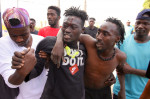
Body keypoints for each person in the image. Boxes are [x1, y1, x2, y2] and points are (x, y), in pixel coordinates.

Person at [0, 7, 47, 99]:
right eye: (13, 35)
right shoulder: (2, 44)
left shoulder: (41, 41)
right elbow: (11, 83)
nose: (19, 39)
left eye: (24, 34)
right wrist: (22, 70)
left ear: (31, 27)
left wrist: (48, 61)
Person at [113, 9, 150, 99]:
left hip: (142, 95)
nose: (140, 26)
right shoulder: (122, 41)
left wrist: (131, 70)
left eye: (145, 23)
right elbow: (112, 60)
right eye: (138, 23)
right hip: (119, 92)